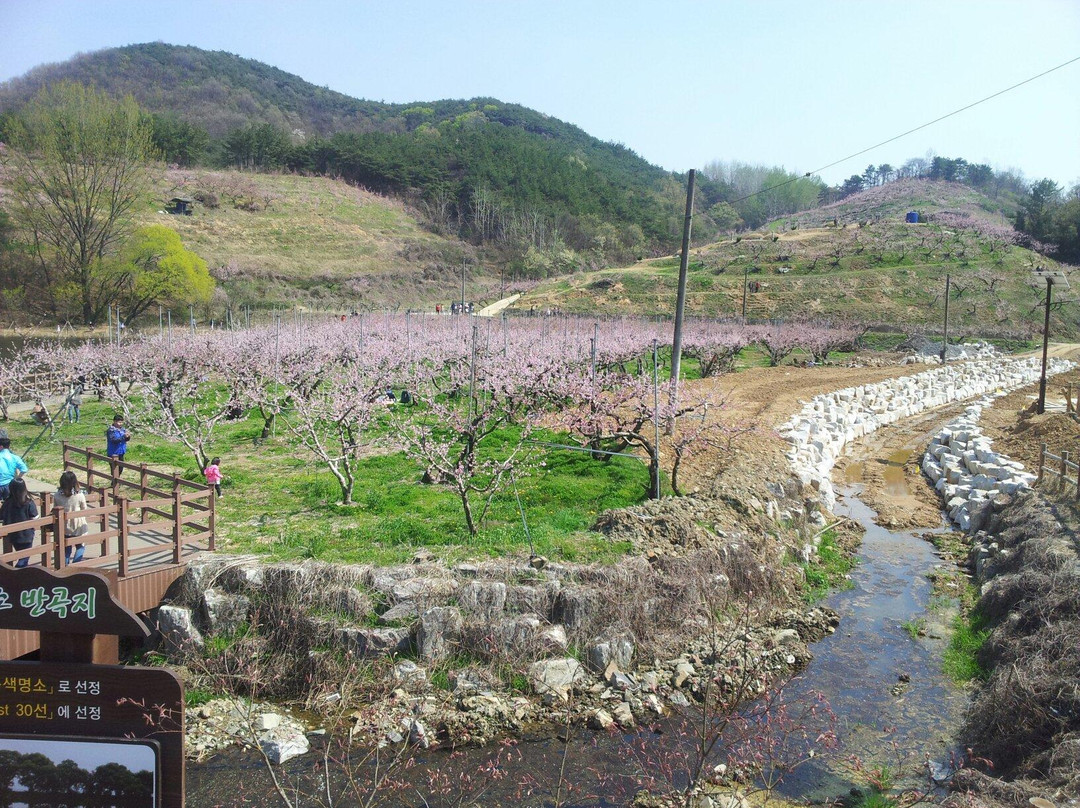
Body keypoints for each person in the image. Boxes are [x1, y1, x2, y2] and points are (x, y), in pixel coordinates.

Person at [53, 471, 88, 564]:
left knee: (66, 550)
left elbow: (54, 508)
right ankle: (75, 566)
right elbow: (84, 508)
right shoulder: (79, 495)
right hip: (78, 525)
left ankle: (65, 567)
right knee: (80, 546)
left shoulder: (57, 495)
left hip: (64, 526)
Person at [1, 479, 37, 568]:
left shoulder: (7, 502)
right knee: (24, 559)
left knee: (21, 556)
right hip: (27, 535)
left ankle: (22, 576)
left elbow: (1, 516)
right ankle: (16, 574)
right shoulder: (28, 502)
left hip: (13, 535)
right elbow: (35, 517)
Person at [0, 433, 28, 501]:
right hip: (9, 485)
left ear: (1, 447)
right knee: (9, 505)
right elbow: (24, 469)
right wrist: (17, 478)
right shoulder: (15, 457)